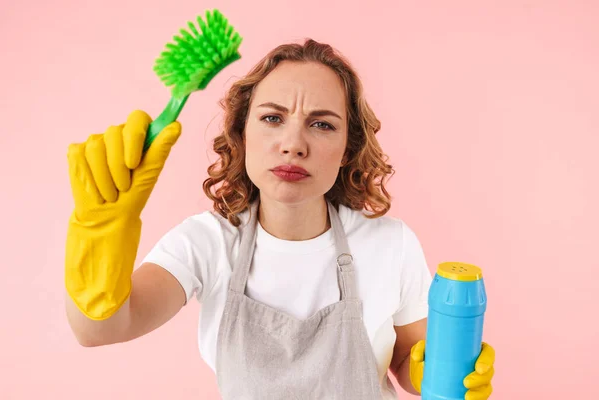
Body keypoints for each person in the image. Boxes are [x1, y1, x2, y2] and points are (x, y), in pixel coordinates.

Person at [65, 39, 495, 399]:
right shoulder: (208, 243)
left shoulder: (391, 244)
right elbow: (100, 329)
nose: (293, 144)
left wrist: (435, 372)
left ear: (347, 148)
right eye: (272, 118)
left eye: (322, 125)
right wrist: (98, 233)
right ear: (243, 132)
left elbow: (405, 360)